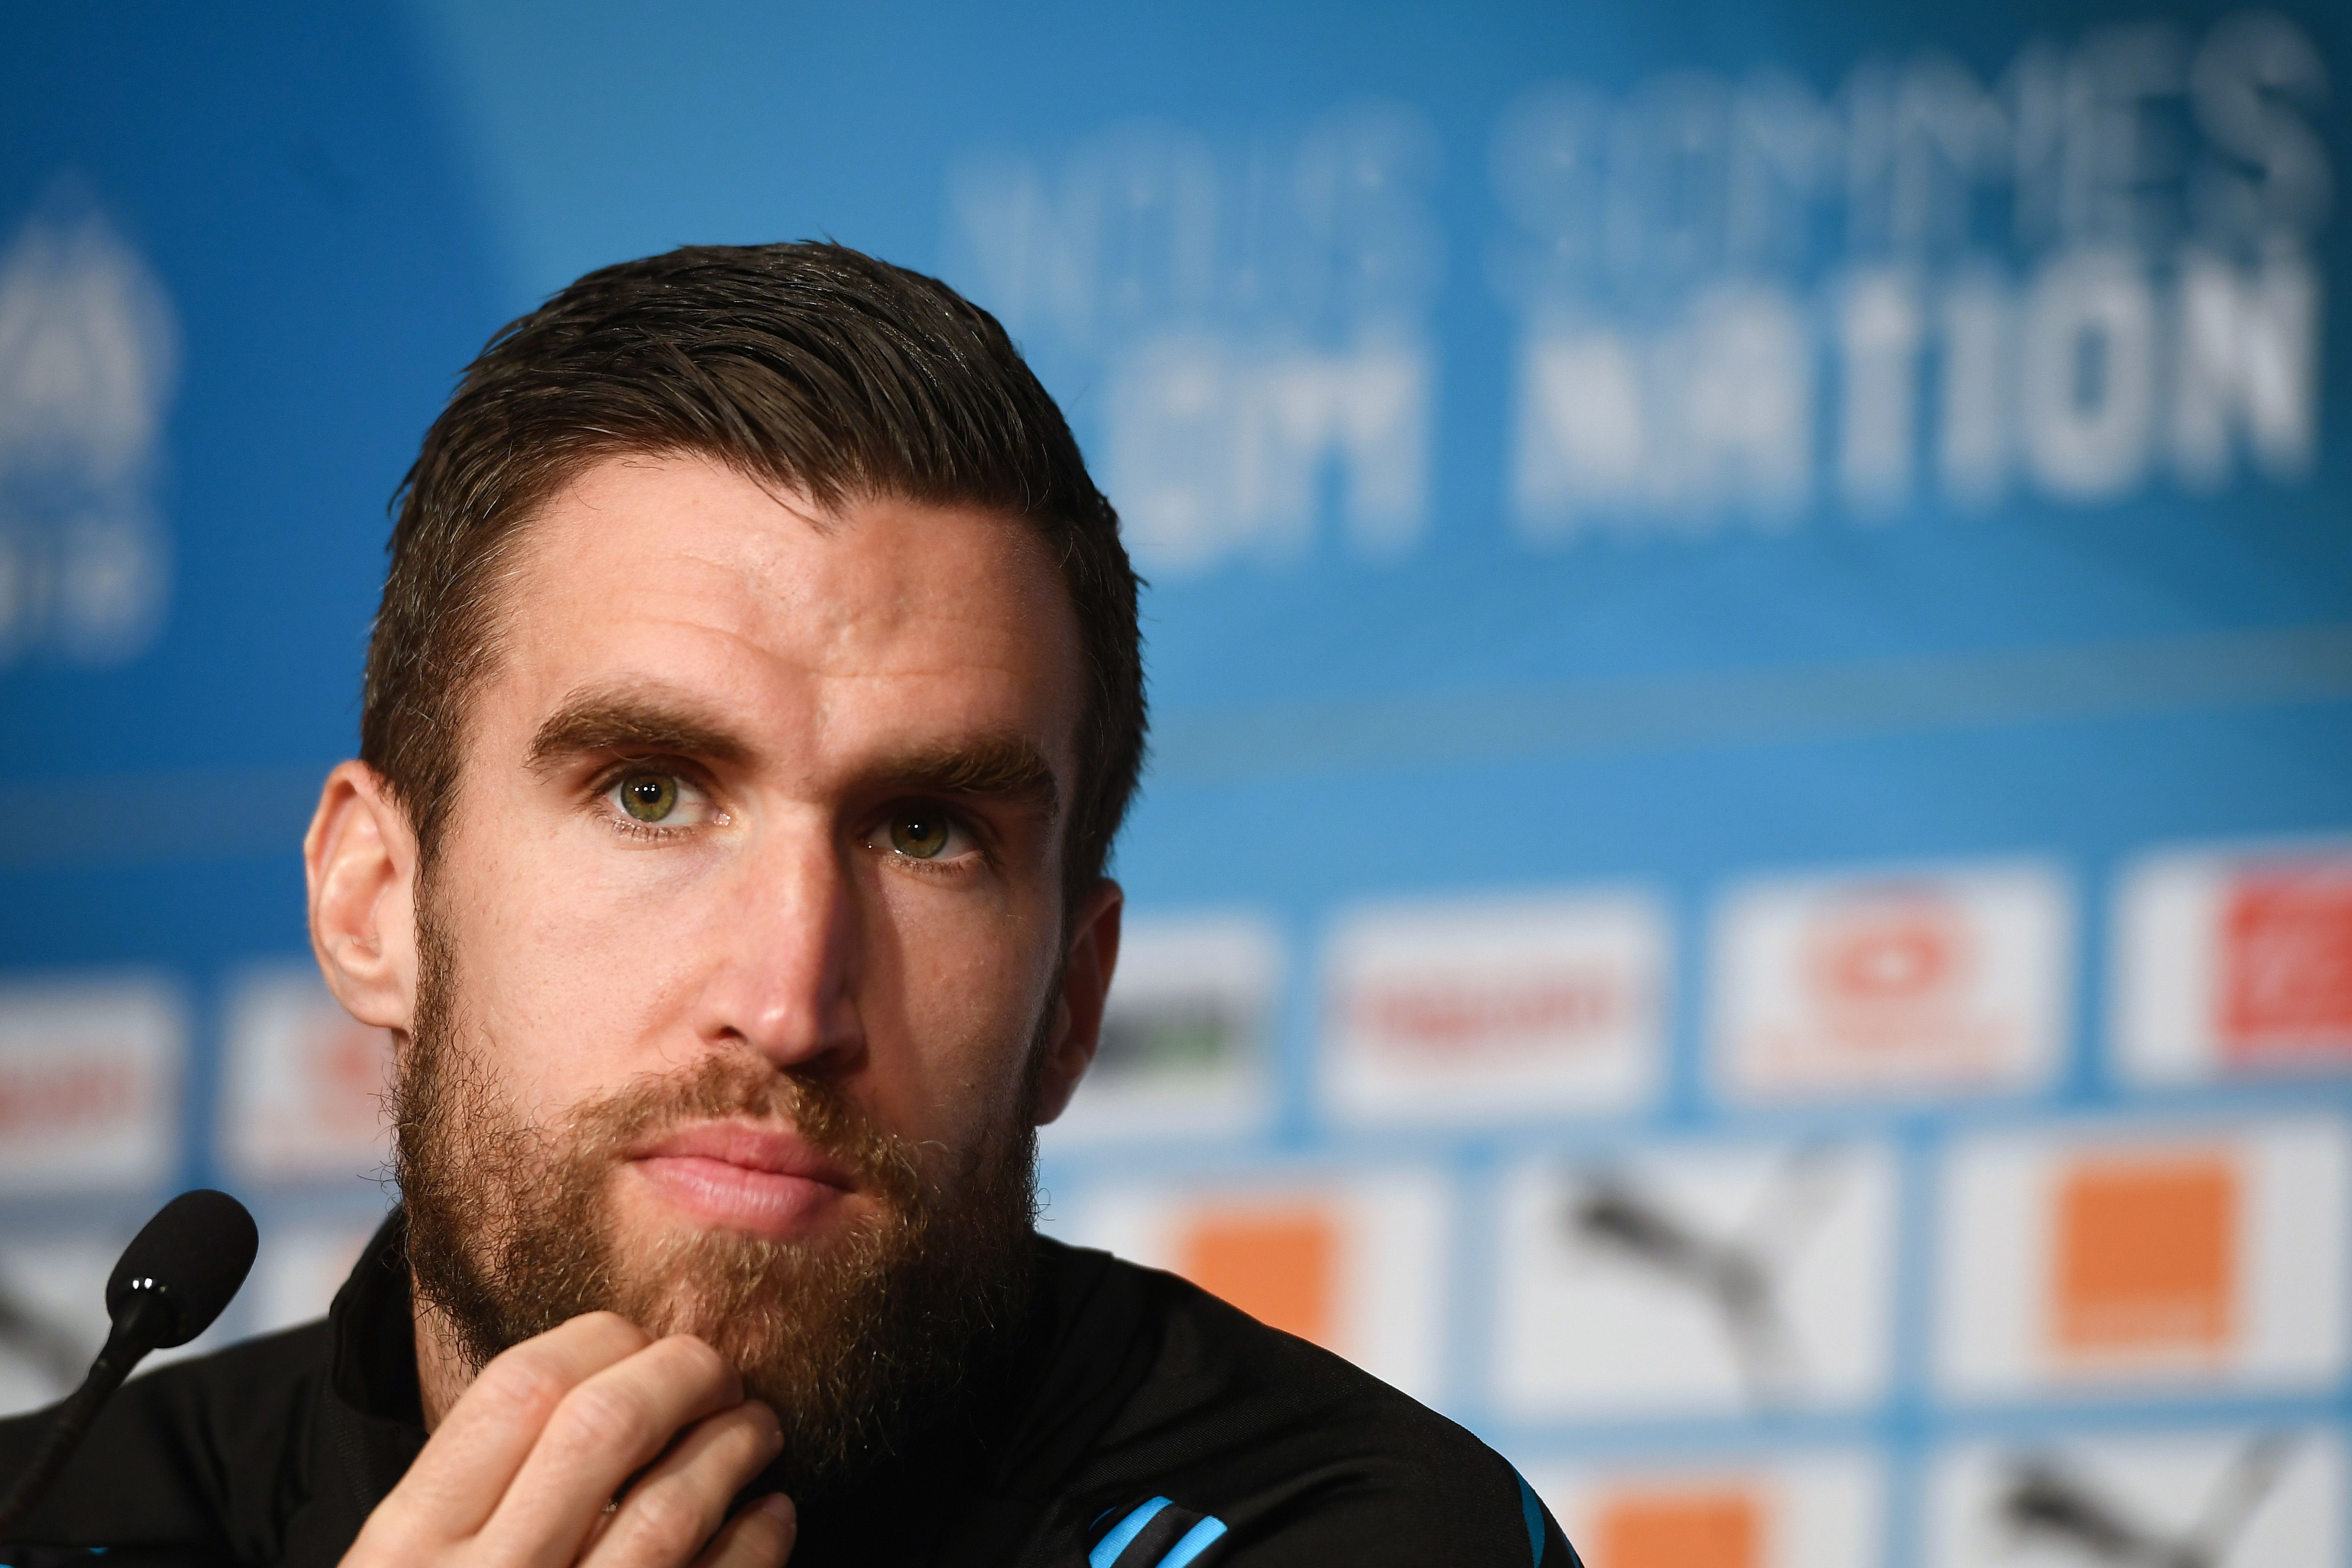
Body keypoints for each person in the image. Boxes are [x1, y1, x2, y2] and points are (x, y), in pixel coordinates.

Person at [0, 243, 1577, 1568]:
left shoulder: (1352, 1533)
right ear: (374, 901)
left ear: (1072, 1003)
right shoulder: (56, 1514)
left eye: (924, 831)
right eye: (651, 792)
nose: (790, 994)